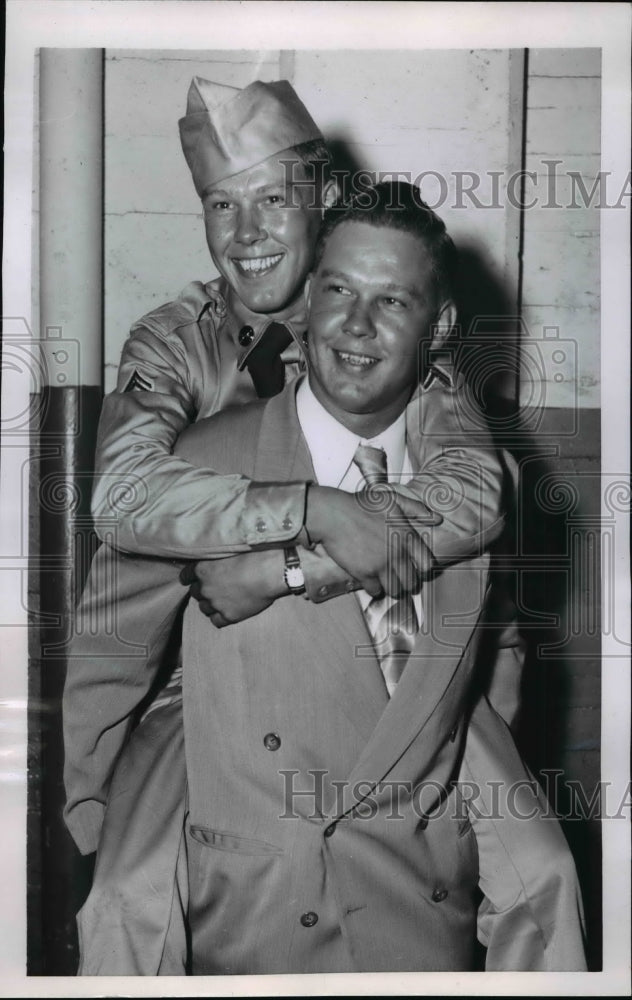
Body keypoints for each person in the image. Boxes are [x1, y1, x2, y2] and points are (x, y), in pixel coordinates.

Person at [68, 184, 586, 974]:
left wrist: (283, 569)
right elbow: (114, 644)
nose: (357, 324)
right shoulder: (200, 463)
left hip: (419, 896)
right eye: (339, 289)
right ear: (308, 297)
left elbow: (497, 650)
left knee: (550, 883)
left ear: (439, 326)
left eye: (393, 301)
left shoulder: (481, 476)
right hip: (253, 892)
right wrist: (91, 806)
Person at [64, 76, 510, 862]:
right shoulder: (175, 345)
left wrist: (290, 567)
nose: (245, 235)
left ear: (326, 199)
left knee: (537, 880)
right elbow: (124, 501)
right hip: (216, 676)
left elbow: (476, 490)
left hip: (393, 663)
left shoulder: (383, 326)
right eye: (220, 206)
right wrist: (311, 508)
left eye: (271, 200)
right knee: (128, 909)